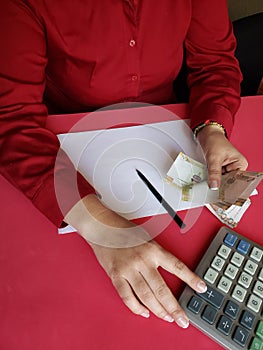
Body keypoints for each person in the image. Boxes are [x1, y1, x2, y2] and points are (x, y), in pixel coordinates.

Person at [0, 0, 248, 329]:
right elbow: (12, 122)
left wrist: (212, 126)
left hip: (168, 129)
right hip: (65, 139)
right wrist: (104, 230)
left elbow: (215, 63)